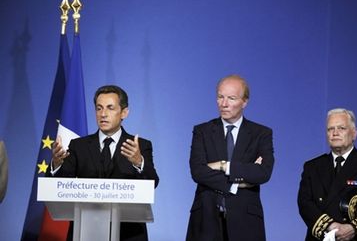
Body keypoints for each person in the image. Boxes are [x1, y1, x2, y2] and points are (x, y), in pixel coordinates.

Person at [48, 85, 159, 241]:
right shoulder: (78, 146)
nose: (103, 114)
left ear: (124, 112)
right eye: (99, 109)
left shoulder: (140, 146)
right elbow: (57, 184)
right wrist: (56, 163)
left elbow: (152, 183)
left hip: (129, 233)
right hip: (85, 230)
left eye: (110, 108)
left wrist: (138, 162)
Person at [186, 75, 275, 241]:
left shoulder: (261, 134)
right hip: (206, 219)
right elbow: (198, 172)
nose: (224, 104)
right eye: (220, 97)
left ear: (245, 102)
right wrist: (237, 183)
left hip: (245, 222)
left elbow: (263, 173)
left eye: (231, 98)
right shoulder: (202, 131)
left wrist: (223, 166)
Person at [297, 108, 357, 241]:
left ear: (354, 133)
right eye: (330, 129)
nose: (335, 133)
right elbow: (304, 203)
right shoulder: (312, 166)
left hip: (354, 237)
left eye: (341, 128)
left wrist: (353, 228)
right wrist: (330, 226)